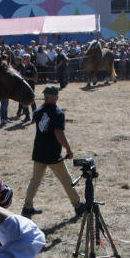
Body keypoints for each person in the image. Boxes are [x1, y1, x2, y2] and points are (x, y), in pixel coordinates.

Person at [21, 86, 83, 219]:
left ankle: (27, 207)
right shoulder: (58, 113)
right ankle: (78, 206)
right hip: (52, 154)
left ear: (45, 97)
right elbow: (58, 132)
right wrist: (68, 149)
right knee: (67, 181)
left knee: (35, 181)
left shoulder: (37, 111)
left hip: (39, 152)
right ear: (55, 97)